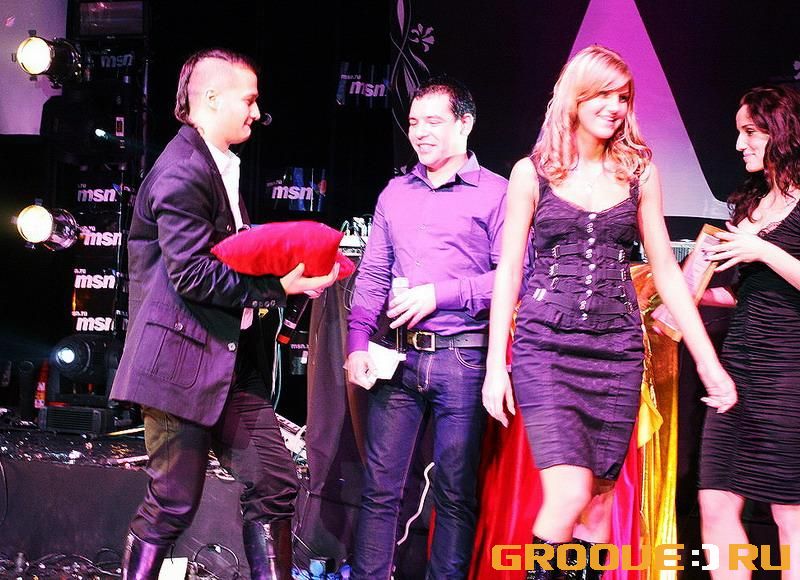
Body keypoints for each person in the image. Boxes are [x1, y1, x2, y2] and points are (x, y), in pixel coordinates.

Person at [481, 45, 737, 579]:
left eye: (623, 97)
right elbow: (509, 272)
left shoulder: (640, 173)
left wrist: (708, 361)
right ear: (575, 97)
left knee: (598, 505)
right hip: (546, 348)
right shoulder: (532, 173)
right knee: (568, 494)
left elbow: (666, 272)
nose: (614, 106)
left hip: (617, 352)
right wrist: (493, 367)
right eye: (602, 94)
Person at [110, 48, 338, 580]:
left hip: (227, 365)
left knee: (274, 481)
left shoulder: (216, 164)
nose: (257, 112)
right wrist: (277, 287)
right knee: (173, 502)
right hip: (180, 367)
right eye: (249, 100)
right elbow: (191, 275)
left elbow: (227, 258)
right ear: (212, 98)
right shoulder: (183, 171)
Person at [345, 75, 519, 579]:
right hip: (398, 356)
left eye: (433, 122)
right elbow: (373, 274)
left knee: (455, 492)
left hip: (463, 355)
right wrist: (357, 342)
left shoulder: (498, 194)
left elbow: (515, 276)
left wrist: (439, 295)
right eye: (414, 122)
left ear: (465, 124)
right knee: (379, 489)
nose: (420, 132)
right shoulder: (395, 193)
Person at [699, 84, 800, 579]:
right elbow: (749, 293)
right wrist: (687, 296)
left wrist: (763, 250)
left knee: (790, 513)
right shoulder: (751, 204)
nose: (740, 144)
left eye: (751, 132)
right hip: (738, 367)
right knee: (715, 500)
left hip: (790, 373)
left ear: (782, 132)